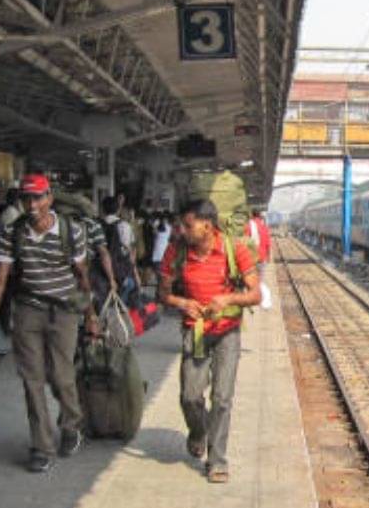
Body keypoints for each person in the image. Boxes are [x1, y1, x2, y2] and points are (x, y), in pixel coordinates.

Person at [0, 174, 99, 472]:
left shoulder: (72, 231)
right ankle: (42, 446)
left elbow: (82, 278)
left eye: (38, 198)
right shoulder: (11, 233)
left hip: (65, 310)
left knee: (61, 376)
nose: (32, 205)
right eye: (26, 199)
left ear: (49, 199)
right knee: (32, 381)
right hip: (29, 311)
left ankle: (71, 425)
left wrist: (91, 315)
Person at [157, 199, 260, 484]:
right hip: (196, 330)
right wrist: (181, 302)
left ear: (207, 225)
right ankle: (199, 431)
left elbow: (255, 295)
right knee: (190, 396)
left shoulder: (234, 249)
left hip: (228, 331)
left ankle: (217, 460)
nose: (182, 230)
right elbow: (162, 293)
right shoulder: (176, 251)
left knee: (222, 398)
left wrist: (227, 298)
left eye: (188, 225)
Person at [99, 195, 140, 305]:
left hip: (99, 268)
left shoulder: (97, 225)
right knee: (130, 284)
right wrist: (135, 273)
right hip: (119, 269)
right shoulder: (124, 226)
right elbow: (129, 251)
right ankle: (120, 304)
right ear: (118, 210)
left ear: (102, 209)